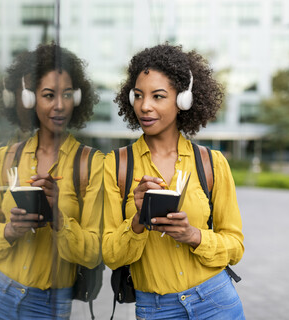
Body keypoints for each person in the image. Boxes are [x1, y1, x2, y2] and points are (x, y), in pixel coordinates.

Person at [102, 44, 245, 319]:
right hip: (157, 310)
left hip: (216, 301)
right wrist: (137, 222)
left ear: (183, 101)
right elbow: (111, 255)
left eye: (158, 96)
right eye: (139, 95)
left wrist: (193, 236)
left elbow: (235, 246)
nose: (145, 106)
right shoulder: (116, 166)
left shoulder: (212, 163)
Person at [0, 43, 103, 320]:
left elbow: (93, 252)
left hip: (48, 305)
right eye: (48, 95)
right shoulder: (4, 159)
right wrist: (9, 231)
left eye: (67, 94)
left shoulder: (92, 164)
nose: (59, 105)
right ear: (29, 101)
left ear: (78, 98)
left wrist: (59, 219)